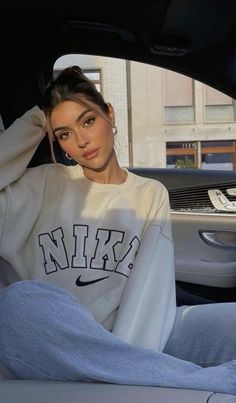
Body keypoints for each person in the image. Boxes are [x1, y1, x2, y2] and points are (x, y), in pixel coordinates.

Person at [0, 66, 235, 395]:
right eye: (64, 133)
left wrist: (127, 364)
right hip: (55, 339)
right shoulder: (43, 185)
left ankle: (120, 377)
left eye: (88, 121)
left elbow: (149, 294)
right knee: (18, 303)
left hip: (127, 341)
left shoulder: (148, 193)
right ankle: (204, 382)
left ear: (109, 114)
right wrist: (36, 120)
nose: (81, 141)